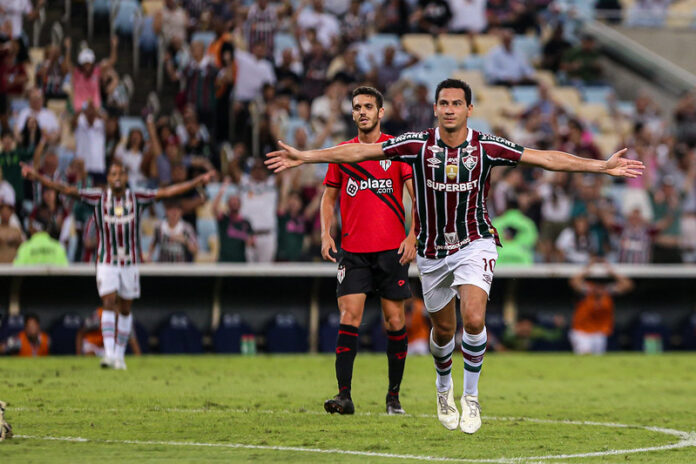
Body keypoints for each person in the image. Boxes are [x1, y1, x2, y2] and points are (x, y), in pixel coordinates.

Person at [266, 78, 645, 434]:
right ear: (435, 108)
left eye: (457, 103)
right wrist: (307, 157)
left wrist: (601, 166)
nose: (450, 109)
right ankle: (443, 383)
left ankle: (472, 397)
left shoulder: (486, 146)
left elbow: (543, 158)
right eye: (444, 103)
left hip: (474, 241)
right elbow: (361, 150)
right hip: (431, 252)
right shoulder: (417, 144)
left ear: (469, 108)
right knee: (443, 331)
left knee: (475, 317)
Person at [21, 160, 215, 370]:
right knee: (109, 301)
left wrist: (197, 181)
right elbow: (66, 189)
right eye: (113, 174)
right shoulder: (98, 198)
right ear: (109, 179)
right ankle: (110, 354)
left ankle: (120, 355)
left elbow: (167, 193)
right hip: (107, 261)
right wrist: (38, 178)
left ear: (125, 178)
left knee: (125, 309)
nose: (117, 178)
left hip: (130, 263)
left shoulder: (137, 198)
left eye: (121, 174)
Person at [320, 86, 416, 416]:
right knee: (349, 317)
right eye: (357, 107)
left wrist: (413, 235)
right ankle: (344, 396)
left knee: (394, 322)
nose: (362, 111)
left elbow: (415, 197)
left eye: (368, 106)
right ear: (352, 113)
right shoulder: (343, 153)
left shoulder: (396, 151)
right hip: (354, 251)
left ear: (380, 112)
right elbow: (329, 197)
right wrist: (325, 233)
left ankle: (393, 397)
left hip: (392, 251)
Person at [569, 260, 634, 355]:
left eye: (600, 286)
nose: (598, 288)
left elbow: (629, 285)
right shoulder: (587, 291)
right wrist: (587, 269)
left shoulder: (607, 292)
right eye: (596, 285)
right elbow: (573, 282)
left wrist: (612, 272)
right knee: (585, 355)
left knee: (597, 359)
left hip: (599, 332)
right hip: (582, 332)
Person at [76, 307, 141, 356]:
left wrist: (139, 360)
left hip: (106, 348)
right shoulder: (100, 314)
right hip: (92, 343)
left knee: (114, 358)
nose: (117, 311)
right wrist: (78, 355)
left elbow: (133, 340)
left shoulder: (126, 318)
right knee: (90, 354)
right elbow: (81, 333)